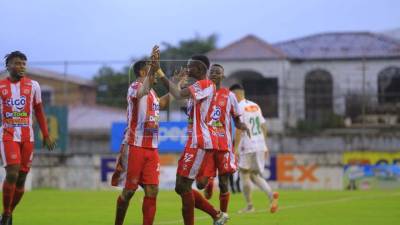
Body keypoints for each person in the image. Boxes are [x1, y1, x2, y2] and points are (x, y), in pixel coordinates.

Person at [156, 53, 228, 225]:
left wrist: (159, 72)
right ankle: (217, 215)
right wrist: (176, 82)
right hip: (194, 142)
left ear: (201, 69)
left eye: (191, 66)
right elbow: (178, 97)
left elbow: (179, 95)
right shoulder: (199, 87)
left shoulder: (205, 84)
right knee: (181, 186)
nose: (188, 69)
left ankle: (216, 215)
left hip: (200, 142)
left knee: (183, 186)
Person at [111, 46, 170, 225]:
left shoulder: (152, 93)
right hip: (134, 145)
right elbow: (142, 91)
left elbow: (163, 103)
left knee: (152, 190)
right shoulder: (135, 87)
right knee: (129, 191)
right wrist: (154, 68)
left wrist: (179, 82)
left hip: (151, 148)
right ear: (144, 71)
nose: (154, 72)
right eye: (151, 69)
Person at [0, 51, 56, 225]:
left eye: (24, 63)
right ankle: (7, 216)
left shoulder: (33, 85)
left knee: (22, 177)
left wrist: (46, 134)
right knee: (12, 172)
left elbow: (38, 111)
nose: (21, 66)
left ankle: (8, 213)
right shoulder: (0, 85)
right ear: (8, 66)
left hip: (27, 136)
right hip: (8, 134)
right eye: (17, 63)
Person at [201, 64, 250, 216]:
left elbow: (236, 119)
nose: (214, 74)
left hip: (224, 145)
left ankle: (223, 215)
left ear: (223, 76)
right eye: (212, 72)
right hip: (206, 144)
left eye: (218, 72)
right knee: (200, 183)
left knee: (224, 183)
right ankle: (209, 181)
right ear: (208, 75)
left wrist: (243, 125)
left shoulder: (230, 96)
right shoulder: (201, 93)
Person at [230, 84, 279, 214]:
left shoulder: (238, 108)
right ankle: (271, 194)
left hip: (247, 145)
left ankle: (250, 206)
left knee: (244, 174)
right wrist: (265, 144)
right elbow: (264, 126)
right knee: (253, 175)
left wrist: (235, 149)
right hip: (259, 145)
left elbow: (239, 130)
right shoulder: (255, 106)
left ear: (235, 94)